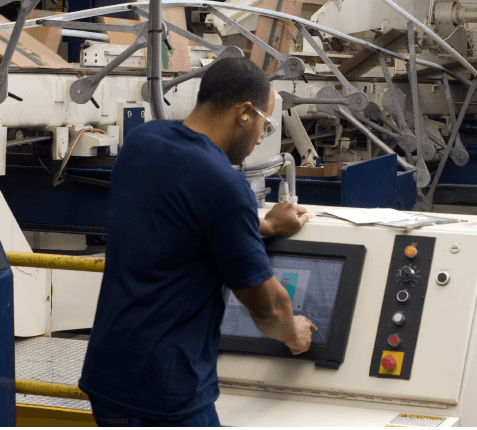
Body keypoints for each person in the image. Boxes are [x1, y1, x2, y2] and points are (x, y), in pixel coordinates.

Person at [79, 57, 317, 427]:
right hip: (167, 393)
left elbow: (181, 217)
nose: (260, 137)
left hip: (108, 376)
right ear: (244, 114)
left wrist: (263, 227)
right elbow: (267, 306)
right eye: (265, 124)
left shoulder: (143, 142)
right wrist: (294, 332)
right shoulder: (226, 185)